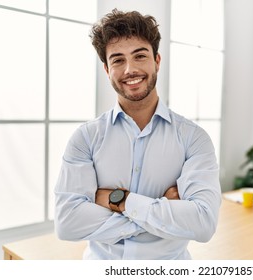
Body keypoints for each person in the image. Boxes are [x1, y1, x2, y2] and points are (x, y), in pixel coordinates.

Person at [54, 8, 221, 260]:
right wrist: (161, 216)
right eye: (118, 60)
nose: (130, 69)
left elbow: (204, 222)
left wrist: (119, 200)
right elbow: (68, 223)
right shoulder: (85, 138)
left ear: (157, 61)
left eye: (139, 56)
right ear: (107, 69)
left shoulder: (194, 139)